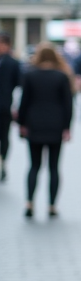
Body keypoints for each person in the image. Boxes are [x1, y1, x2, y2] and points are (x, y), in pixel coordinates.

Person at [18, 43, 73, 219]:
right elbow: (68, 105)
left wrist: (21, 123)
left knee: (34, 166)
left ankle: (29, 203)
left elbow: (24, 102)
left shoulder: (30, 75)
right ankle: (51, 206)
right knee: (54, 168)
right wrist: (67, 127)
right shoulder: (62, 77)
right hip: (56, 126)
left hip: (34, 125)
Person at [0, 32, 22, 181]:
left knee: (4, 138)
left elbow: (19, 85)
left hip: (5, 106)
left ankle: (3, 163)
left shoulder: (13, 63)